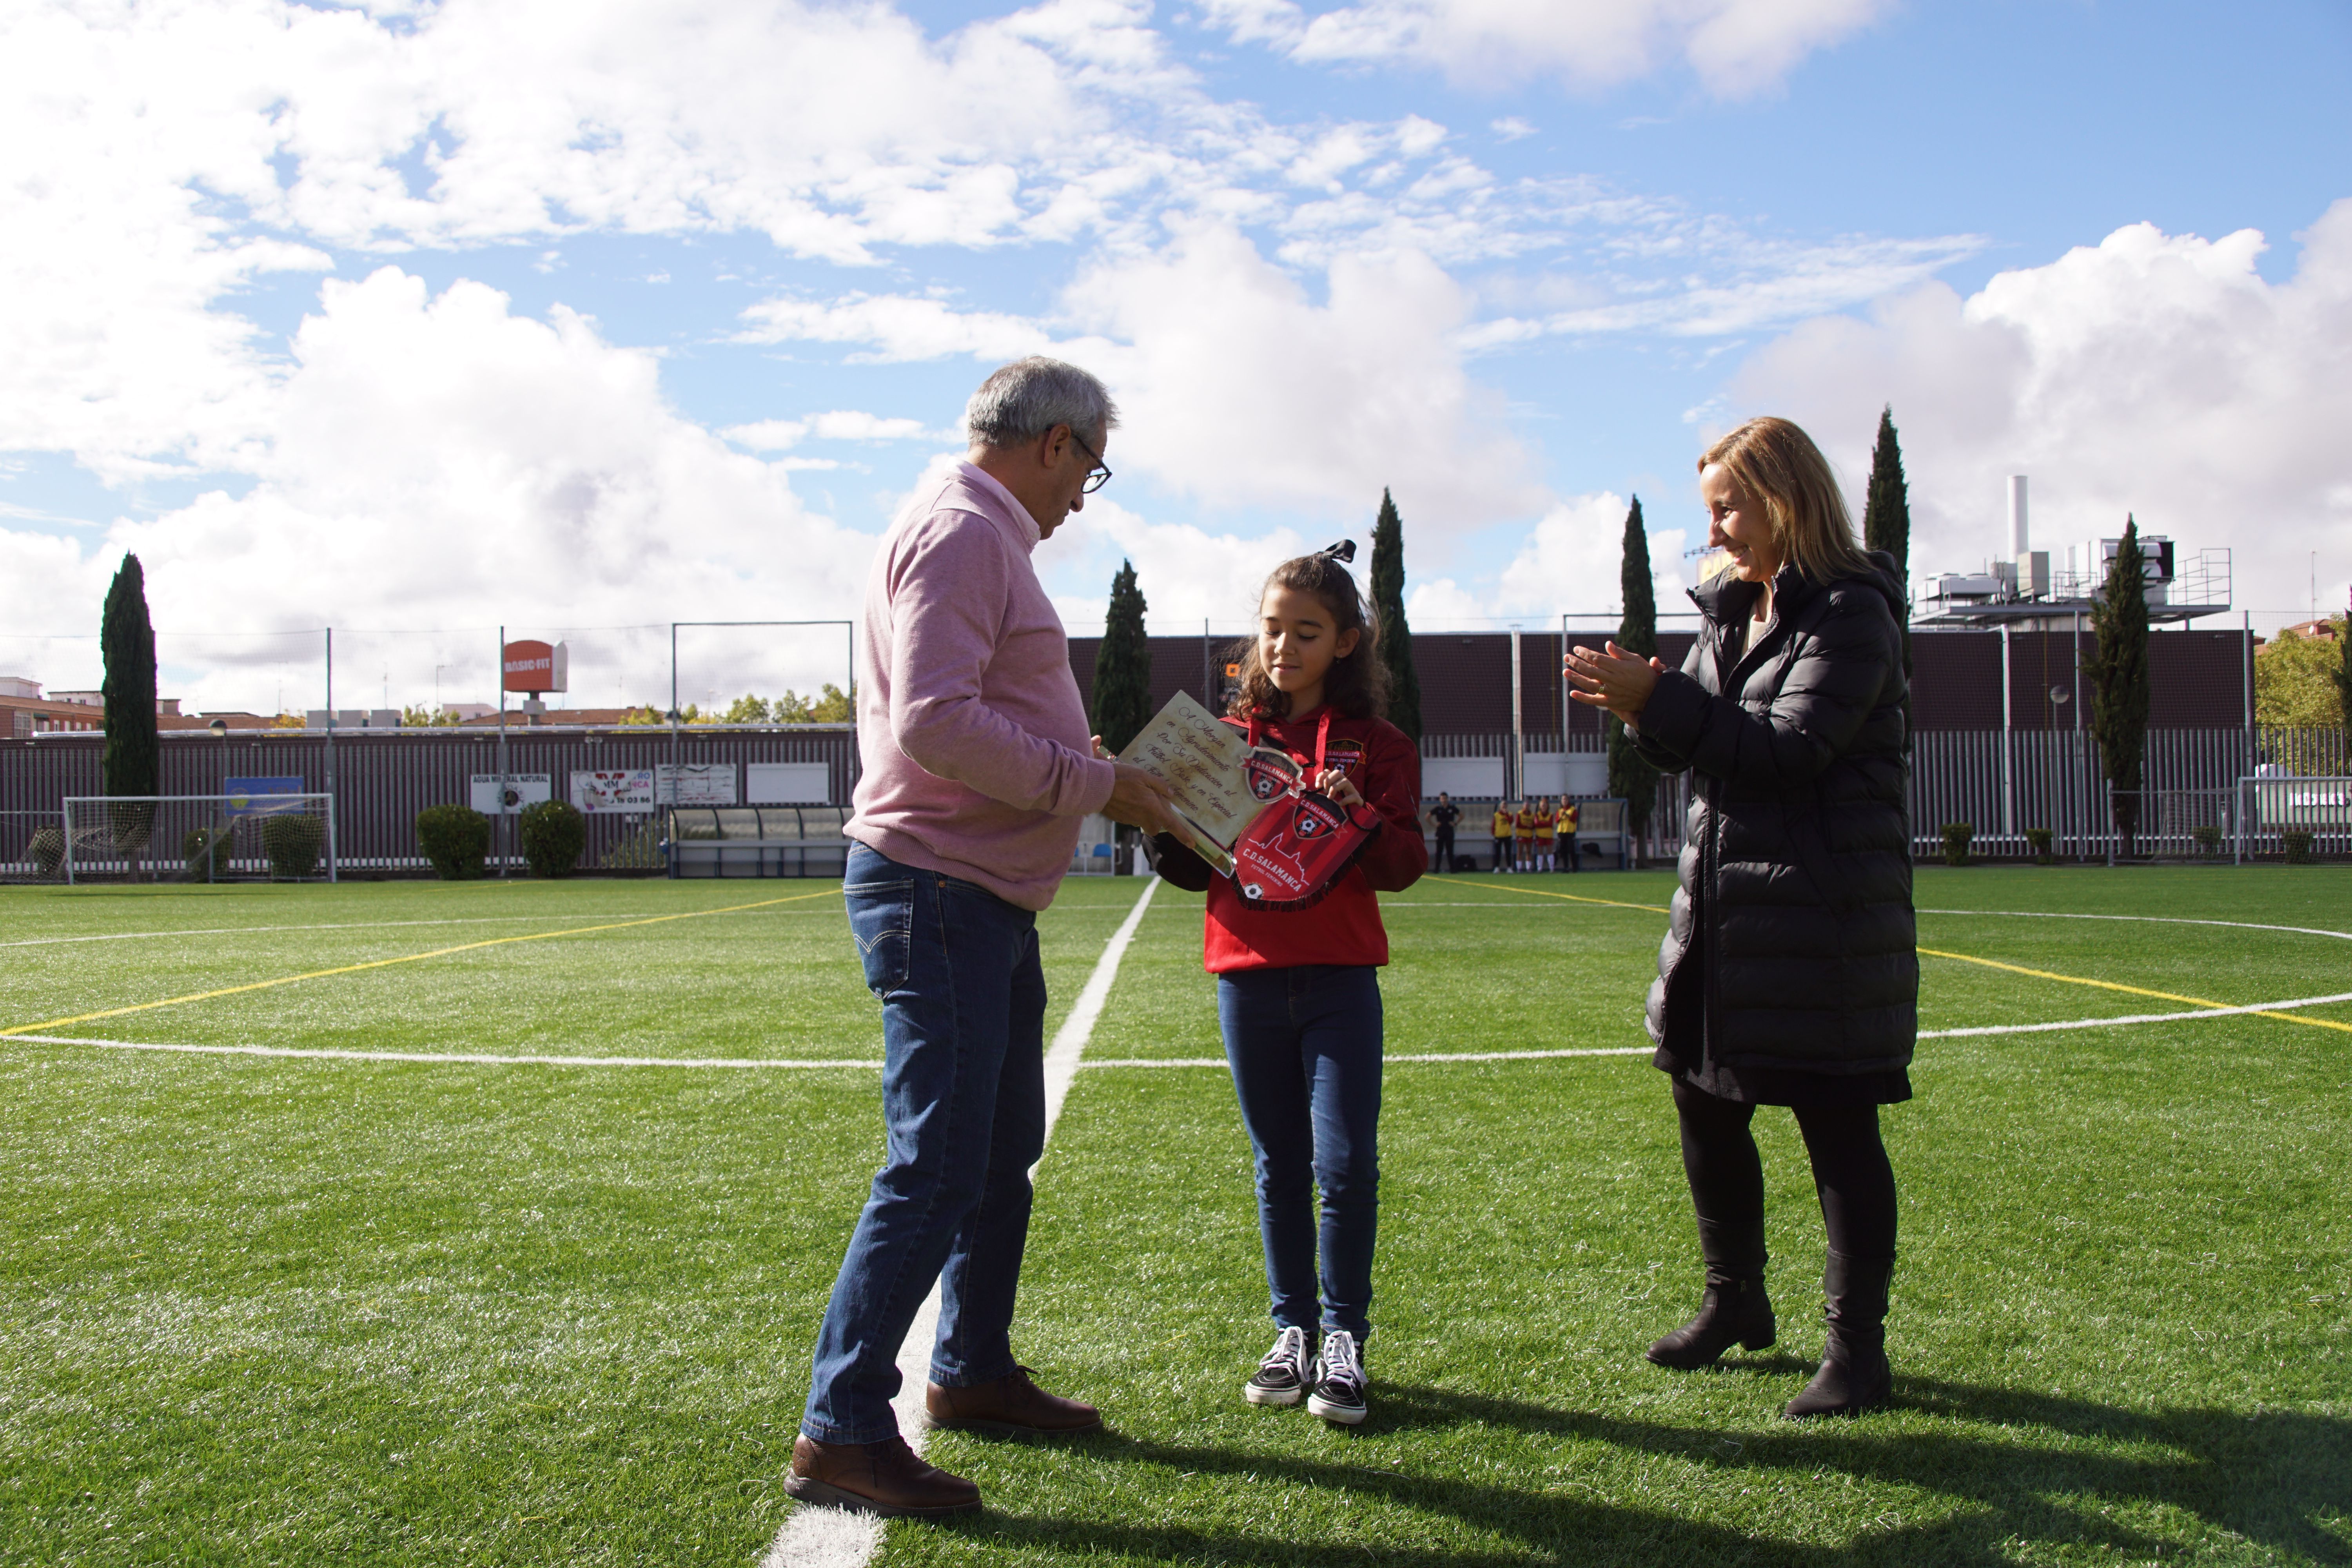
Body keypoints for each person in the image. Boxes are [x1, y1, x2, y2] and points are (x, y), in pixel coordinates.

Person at [786, 358, 1192, 1517]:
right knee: (937, 1164)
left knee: (996, 1149)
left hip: (978, 896)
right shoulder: (966, 532)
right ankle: (843, 1426)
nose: (1083, 496)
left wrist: (1078, 762)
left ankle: (968, 1367)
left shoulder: (972, 533)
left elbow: (966, 707)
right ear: (1054, 443)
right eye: (1091, 468)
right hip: (940, 890)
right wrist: (1093, 781)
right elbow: (933, 721)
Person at [1564, 415, 1915, 1419]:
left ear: (1786, 498)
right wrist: (1645, 707)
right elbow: (1705, 749)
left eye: (1730, 505)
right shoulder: (1731, 608)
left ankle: (1858, 1352)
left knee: (1837, 1129)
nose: (1715, 528)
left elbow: (1786, 752)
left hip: (1823, 921)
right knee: (1703, 1101)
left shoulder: (1852, 614)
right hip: (1725, 913)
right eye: (1709, 507)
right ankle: (1736, 1303)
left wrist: (1663, 698)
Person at [1149, 549, 1426, 1428]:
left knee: (1344, 1163)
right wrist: (1163, 819)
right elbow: (1195, 876)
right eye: (1272, 628)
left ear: (1347, 642)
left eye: (1306, 631)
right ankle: (1291, 1330)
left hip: (1343, 977)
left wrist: (1360, 816)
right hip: (1248, 976)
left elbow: (1405, 865)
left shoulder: (1381, 747)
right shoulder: (1225, 742)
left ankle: (1344, 1335)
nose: (1283, 645)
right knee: (1279, 1165)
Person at [1427, 792, 1461, 873]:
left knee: (1450, 851)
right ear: (1440, 800)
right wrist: (1434, 825)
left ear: (1447, 799)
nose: (1444, 800)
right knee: (1439, 851)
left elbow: (1461, 815)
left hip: (1449, 831)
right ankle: (1437, 869)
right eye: (1442, 799)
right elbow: (1427, 817)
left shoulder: (1452, 808)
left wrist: (1455, 823)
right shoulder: (1438, 809)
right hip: (1440, 832)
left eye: (1445, 799)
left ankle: (1452, 869)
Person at [1530, 795, 1556, 872]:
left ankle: (1552, 869)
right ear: (1540, 806)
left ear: (1548, 806)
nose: (1544, 807)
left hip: (1548, 835)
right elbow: (1537, 824)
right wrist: (1545, 823)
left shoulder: (1550, 815)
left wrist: (1542, 824)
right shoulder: (1537, 815)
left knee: (1550, 852)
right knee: (1540, 852)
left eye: (1545, 805)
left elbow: (1550, 824)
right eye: (1542, 805)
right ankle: (1540, 868)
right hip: (1540, 836)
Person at [1556, 797, 1581, 873]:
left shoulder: (1573, 810)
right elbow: (1557, 820)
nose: (1565, 801)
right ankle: (1566, 868)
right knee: (1564, 851)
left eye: (1566, 800)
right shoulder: (1560, 810)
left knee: (1571, 850)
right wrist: (1561, 816)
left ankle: (1575, 868)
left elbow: (1574, 819)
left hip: (1570, 832)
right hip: (1562, 832)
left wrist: (1567, 815)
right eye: (1563, 800)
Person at [1490, 799, 1515, 872]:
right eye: (1503, 805)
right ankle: (1497, 867)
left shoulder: (1510, 814)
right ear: (1500, 806)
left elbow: (1511, 822)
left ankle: (1509, 867)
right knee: (1498, 852)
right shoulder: (1497, 815)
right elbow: (1493, 825)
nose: (1504, 806)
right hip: (1499, 836)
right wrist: (1494, 833)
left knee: (1508, 852)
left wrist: (1506, 814)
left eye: (1505, 805)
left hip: (1507, 835)